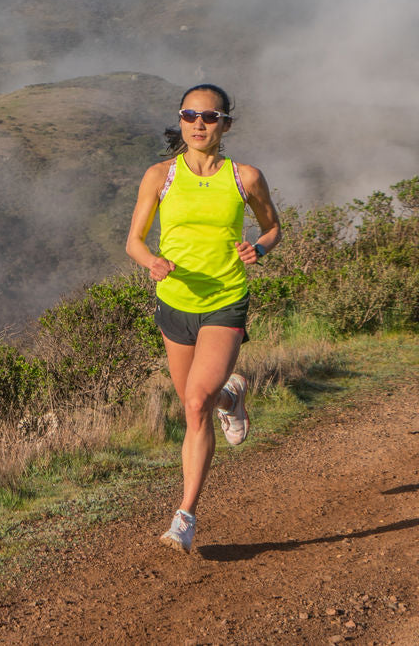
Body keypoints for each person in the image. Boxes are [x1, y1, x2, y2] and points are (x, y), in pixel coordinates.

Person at [124, 83, 280, 553]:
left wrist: (259, 248)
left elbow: (273, 227)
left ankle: (185, 517)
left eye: (209, 117)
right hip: (174, 304)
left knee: (194, 405)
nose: (198, 124)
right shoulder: (159, 176)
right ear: (181, 120)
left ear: (225, 124)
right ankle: (232, 396)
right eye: (190, 116)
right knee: (198, 405)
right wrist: (150, 262)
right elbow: (134, 241)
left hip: (225, 301)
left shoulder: (245, 177)